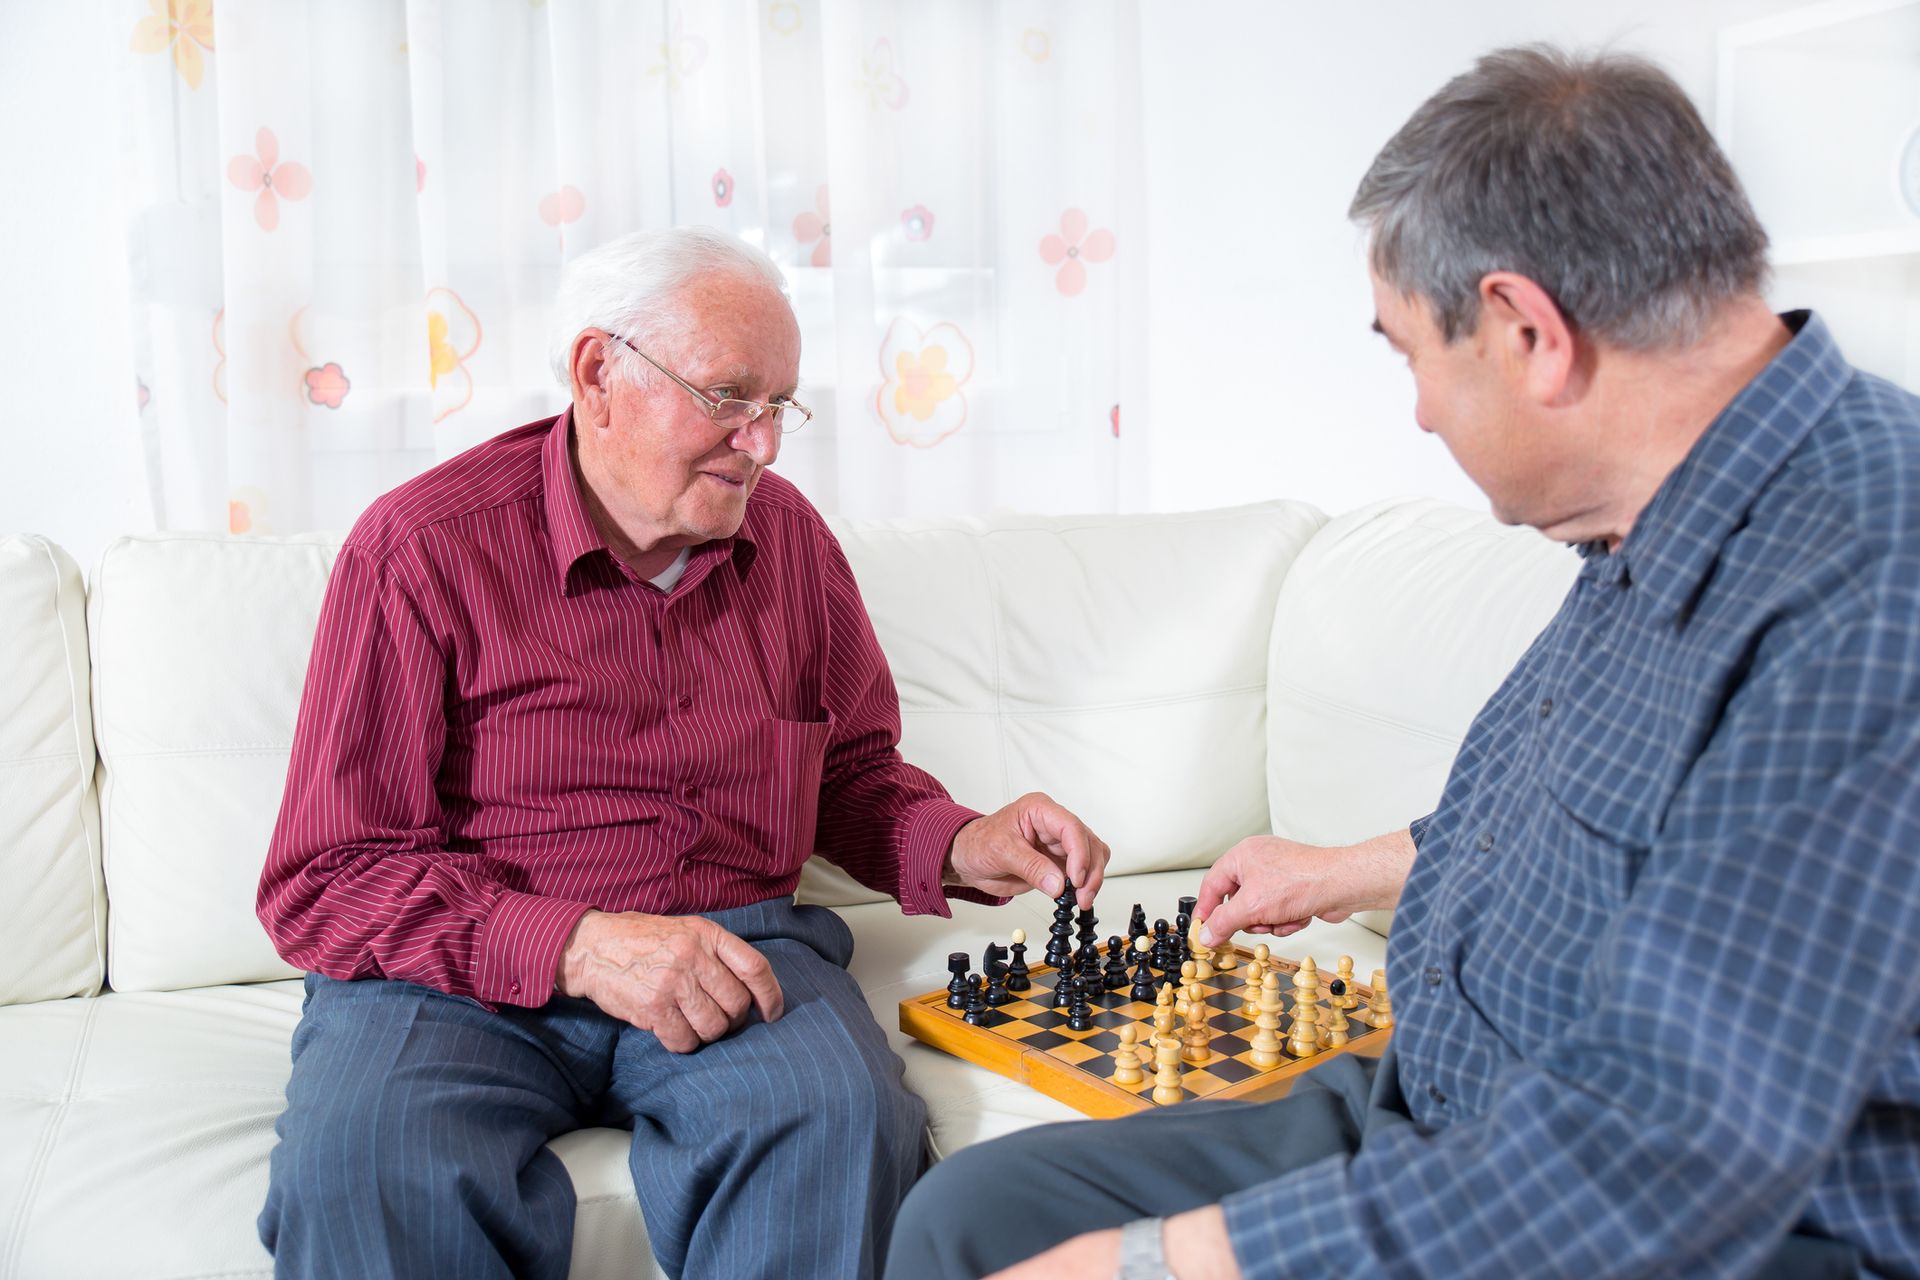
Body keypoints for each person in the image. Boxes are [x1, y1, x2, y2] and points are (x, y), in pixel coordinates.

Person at [886, 45, 1920, 1280]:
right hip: (1444, 1094)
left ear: (1528, 330)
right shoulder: (1652, 507)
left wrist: (1156, 1265)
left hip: (1672, 1217)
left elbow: (1657, 1156)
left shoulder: (1871, 585)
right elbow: (1583, 806)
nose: (1420, 411)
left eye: (1408, 353)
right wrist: (1344, 867)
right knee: (970, 1218)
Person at [254, 226, 1110, 1280]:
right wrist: (578, 944)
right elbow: (327, 875)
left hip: (734, 952)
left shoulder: (789, 541)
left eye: (781, 405)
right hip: (456, 980)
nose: (764, 444)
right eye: (727, 397)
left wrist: (965, 838)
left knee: (839, 1119)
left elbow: (851, 773)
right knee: (369, 1171)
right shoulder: (419, 548)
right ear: (597, 372)